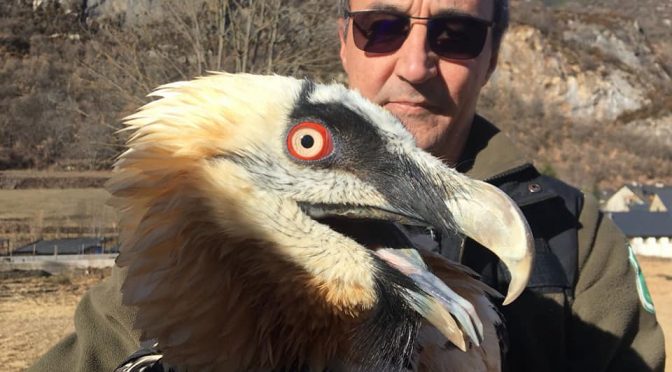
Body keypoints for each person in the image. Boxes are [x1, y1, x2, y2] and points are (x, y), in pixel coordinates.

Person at [29, 0, 665, 371]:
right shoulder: (176, 252)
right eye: (383, 27)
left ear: (494, 56)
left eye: (457, 35)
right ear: (345, 40)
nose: (415, 66)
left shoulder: (575, 245)